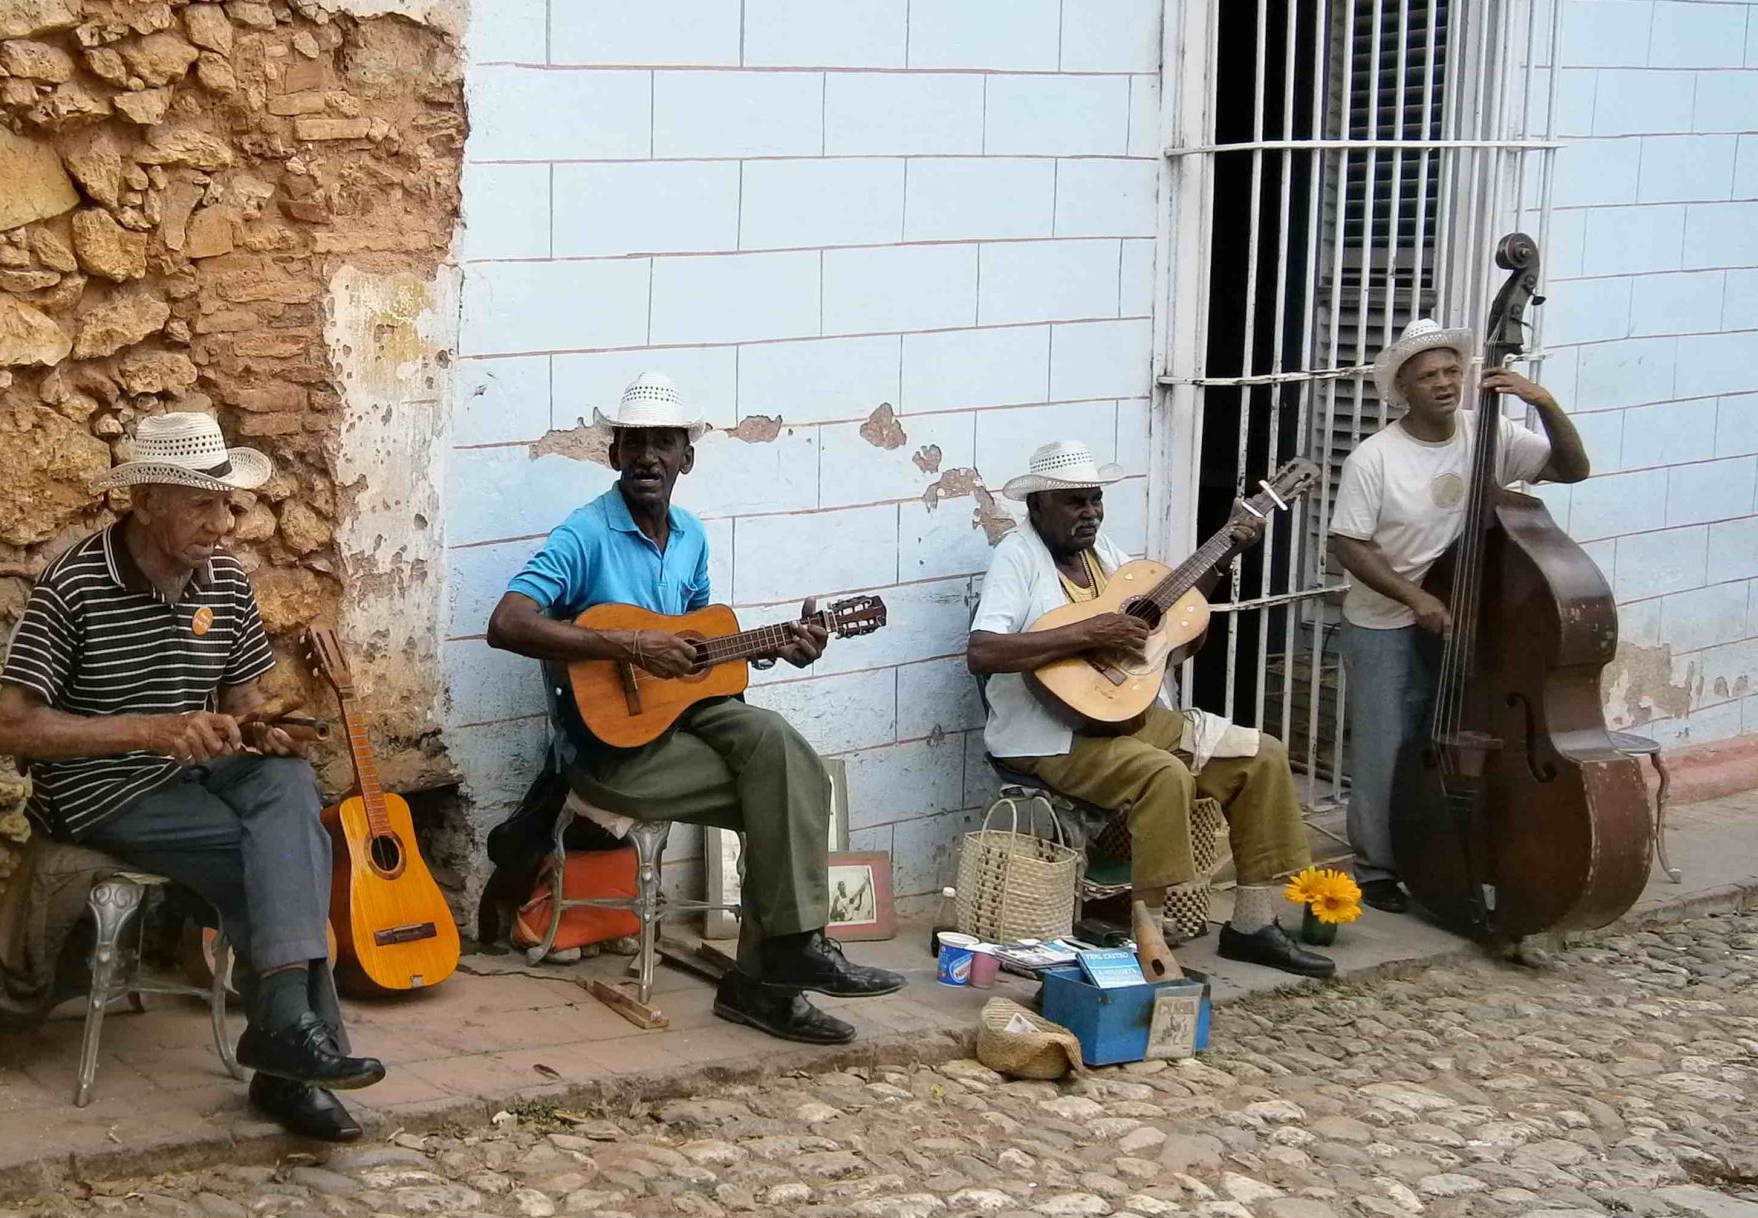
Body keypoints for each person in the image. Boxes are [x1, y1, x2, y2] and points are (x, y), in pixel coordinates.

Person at [0, 410, 381, 1143]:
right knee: (283, 859)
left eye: (228, 502)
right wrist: (153, 728)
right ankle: (291, 1067)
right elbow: (10, 727)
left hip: (200, 776)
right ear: (144, 504)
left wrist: (273, 733)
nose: (224, 523)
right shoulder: (72, 586)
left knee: (289, 790)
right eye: (202, 503)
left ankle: (287, 1039)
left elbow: (245, 707)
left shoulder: (224, 582)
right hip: (103, 793)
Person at [482, 372, 907, 1046]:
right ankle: (768, 982)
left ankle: (782, 963)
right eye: (635, 442)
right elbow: (506, 623)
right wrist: (627, 643)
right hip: (610, 751)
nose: (649, 455)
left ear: (687, 457)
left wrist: (776, 648)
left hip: (683, 719)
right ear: (615, 454)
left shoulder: (691, 538)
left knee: (782, 747)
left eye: (665, 443)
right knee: (784, 797)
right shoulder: (583, 535)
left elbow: (699, 652)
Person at [965, 440, 1336, 982]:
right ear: (1037, 505)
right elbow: (982, 651)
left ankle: (1254, 926)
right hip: (1051, 737)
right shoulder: (1017, 558)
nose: (1089, 512)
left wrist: (1228, 547)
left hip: (1131, 717)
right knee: (1162, 776)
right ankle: (1151, 941)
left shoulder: (1107, 556)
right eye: (1074, 503)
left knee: (1261, 755)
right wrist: (1089, 631)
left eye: (1094, 500)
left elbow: (1177, 609)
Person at [1328, 319, 1593, 914]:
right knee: (1388, 746)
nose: (1444, 384)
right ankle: (1376, 867)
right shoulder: (1376, 459)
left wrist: (1545, 404)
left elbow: (1573, 469)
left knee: (1459, 736)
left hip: (1468, 615)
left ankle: (1451, 848)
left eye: (1452, 371)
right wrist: (1415, 598)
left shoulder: (1490, 432)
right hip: (1388, 621)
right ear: (1404, 389)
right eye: (1428, 376)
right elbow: (1347, 544)